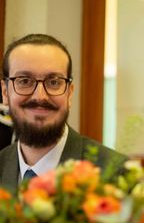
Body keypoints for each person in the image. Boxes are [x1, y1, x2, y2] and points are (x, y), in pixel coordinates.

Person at [0, 34, 127, 191]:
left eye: (54, 82)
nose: (40, 96)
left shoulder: (116, 176)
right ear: (5, 92)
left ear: (69, 93)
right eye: (24, 81)